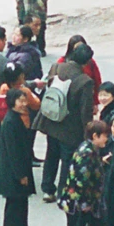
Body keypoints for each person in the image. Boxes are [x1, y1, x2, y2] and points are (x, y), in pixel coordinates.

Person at [53, 120, 112, 226]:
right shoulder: (87, 153)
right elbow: (81, 180)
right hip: (79, 204)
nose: (106, 140)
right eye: (104, 136)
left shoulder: (89, 150)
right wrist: (86, 203)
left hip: (83, 202)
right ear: (95, 136)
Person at [39, 38, 95, 199]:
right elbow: (86, 111)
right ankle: (63, 191)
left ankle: (47, 188)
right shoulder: (85, 81)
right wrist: (88, 132)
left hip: (52, 119)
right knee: (67, 159)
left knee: (51, 154)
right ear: (86, 62)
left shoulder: (57, 67)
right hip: (71, 127)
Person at [0, 86, 38, 226]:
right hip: (14, 173)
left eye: (25, 100)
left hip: (21, 169)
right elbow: (13, 151)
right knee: (14, 209)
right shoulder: (10, 122)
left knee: (22, 207)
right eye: (20, 101)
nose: (24, 104)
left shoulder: (17, 119)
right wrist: (20, 175)